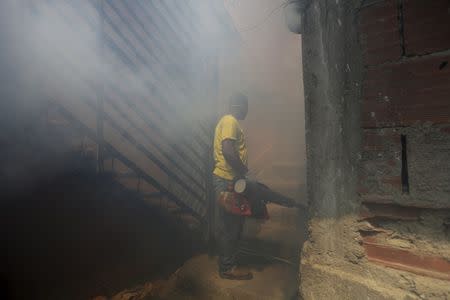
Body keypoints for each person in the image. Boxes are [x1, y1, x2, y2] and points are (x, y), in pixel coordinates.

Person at [212, 92, 252, 280]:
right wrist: (243, 171)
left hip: (228, 180)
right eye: (245, 106)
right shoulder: (230, 121)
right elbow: (228, 151)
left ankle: (229, 263)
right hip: (227, 180)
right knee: (231, 226)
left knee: (232, 224)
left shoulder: (228, 121)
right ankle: (228, 268)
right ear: (238, 106)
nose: (247, 110)